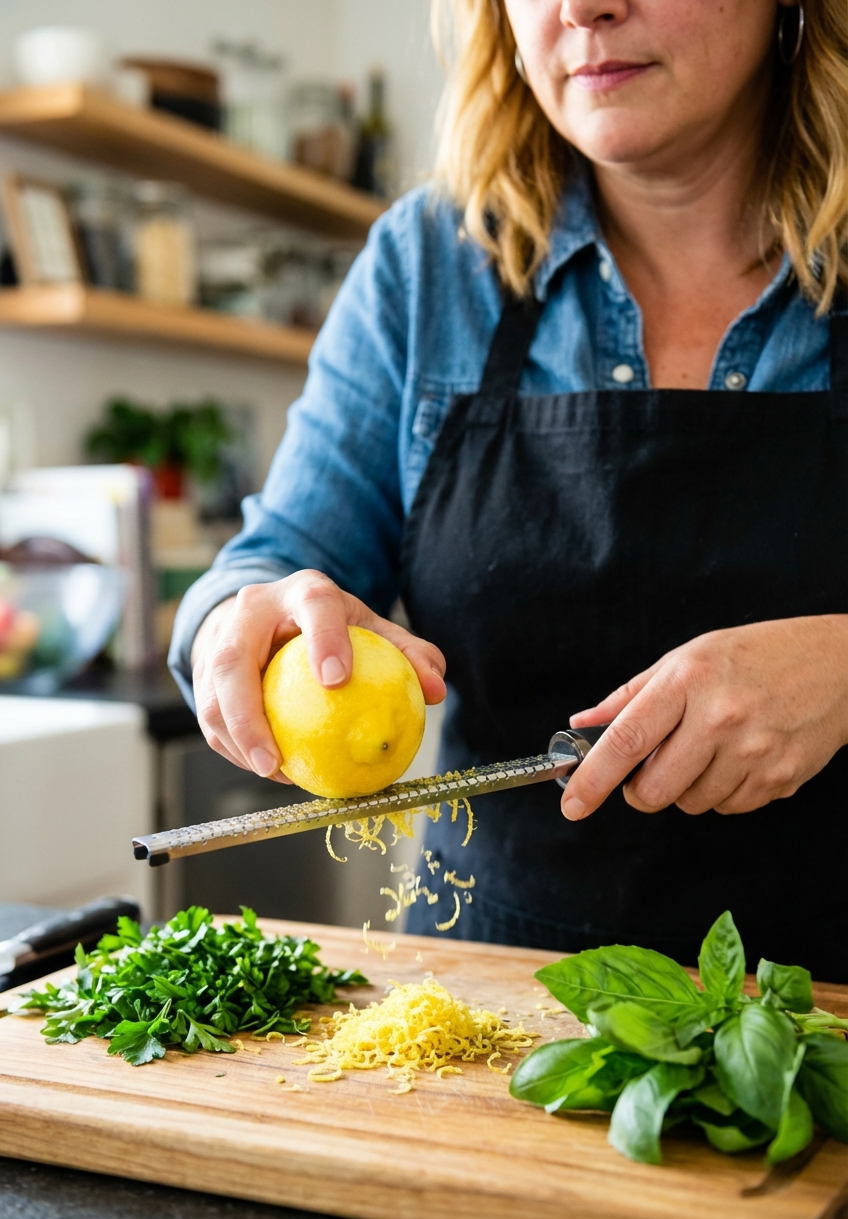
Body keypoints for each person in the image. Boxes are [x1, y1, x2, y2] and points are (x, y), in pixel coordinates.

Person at [170, 0, 847, 981]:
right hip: (490, 1016)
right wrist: (243, 616)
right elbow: (271, 561)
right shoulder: (426, 265)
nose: (582, 7)